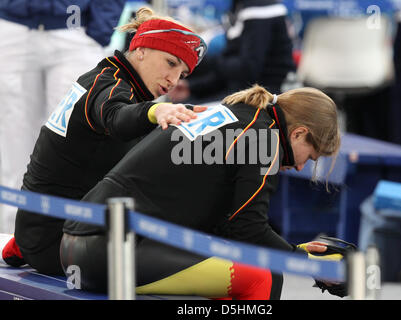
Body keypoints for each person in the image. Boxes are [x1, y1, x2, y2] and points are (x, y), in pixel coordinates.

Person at [60, 84, 346, 299]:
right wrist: (302, 260)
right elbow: (248, 228)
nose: (299, 167)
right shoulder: (264, 138)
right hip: (108, 250)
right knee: (264, 276)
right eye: (309, 156)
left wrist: (295, 252)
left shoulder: (237, 116)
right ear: (297, 133)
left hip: (79, 246)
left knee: (230, 269)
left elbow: (229, 226)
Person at [1, 7, 208, 276]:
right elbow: (116, 117)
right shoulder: (109, 86)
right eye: (170, 63)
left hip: (43, 228)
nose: (173, 79)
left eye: (182, 74)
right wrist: (155, 112)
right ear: (142, 49)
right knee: (226, 270)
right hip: (59, 244)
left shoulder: (110, 77)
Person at [0, 0, 127, 234]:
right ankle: (11, 236)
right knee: (13, 138)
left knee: (72, 133)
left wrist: (99, 31)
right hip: (11, 27)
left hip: (75, 33)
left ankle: (66, 236)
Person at [168, 0, 296, 104]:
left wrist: (207, 61)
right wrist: (192, 87)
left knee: (186, 113)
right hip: (243, 91)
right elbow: (228, 71)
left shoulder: (259, 8)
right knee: (180, 106)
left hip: (267, 97)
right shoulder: (238, 7)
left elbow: (248, 70)